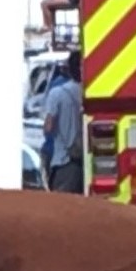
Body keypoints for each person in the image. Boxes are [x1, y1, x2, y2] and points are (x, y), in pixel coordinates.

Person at [40, 53, 86, 196]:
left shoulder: (57, 93)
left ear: (69, 69)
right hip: (84, 162)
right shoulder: (88, 92)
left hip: (63, 161)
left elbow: (48, 127)